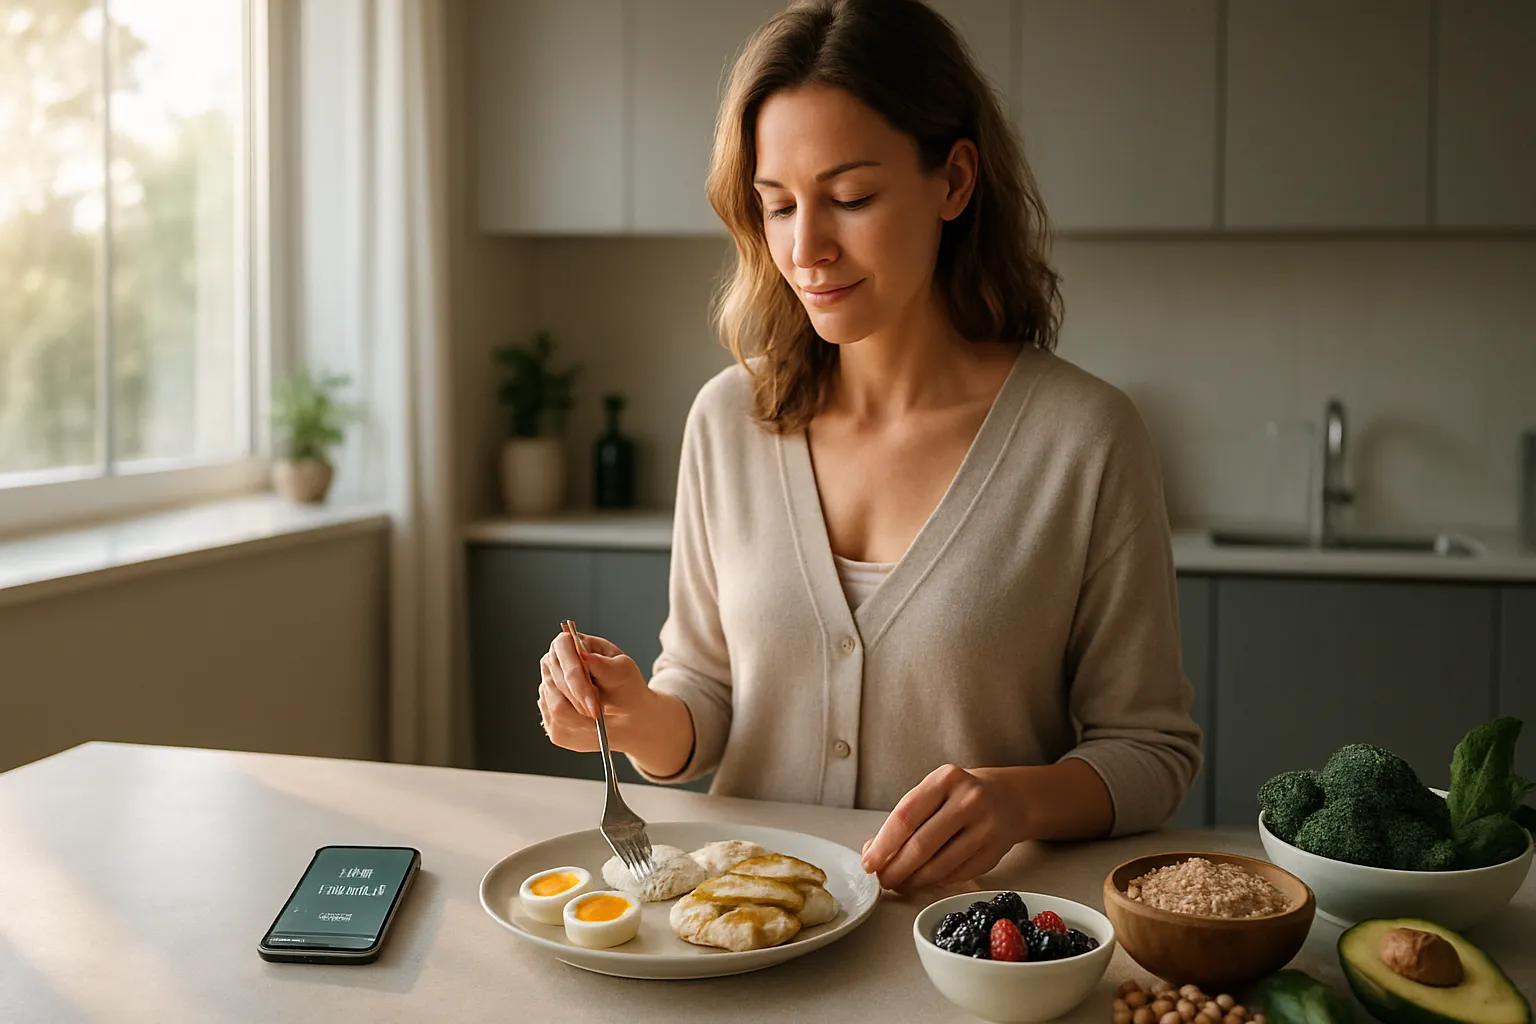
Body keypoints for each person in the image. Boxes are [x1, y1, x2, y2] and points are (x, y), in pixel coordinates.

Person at [536, 0, 1202, 895]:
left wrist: (1015, 803)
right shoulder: (725, 420)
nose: (805, 248)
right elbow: (706, 695)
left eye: (850, 198)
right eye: (776, 207)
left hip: (966, 957)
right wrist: (637, 715)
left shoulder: (1084, 438)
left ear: (955, 182)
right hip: (741, 938)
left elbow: (1151, 751)